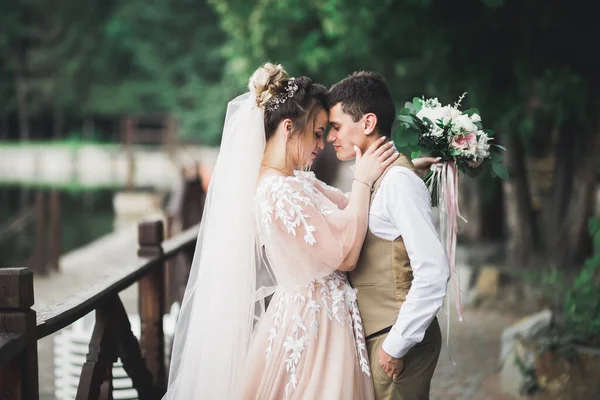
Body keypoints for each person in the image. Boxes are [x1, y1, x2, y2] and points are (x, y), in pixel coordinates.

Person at [164, 63, 399, 400]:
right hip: (312, 328)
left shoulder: (295, 180)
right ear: (289, 127)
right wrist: (362, 177)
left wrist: (393, 177)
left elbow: (352, 205)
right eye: (317, 133)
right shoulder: (276, 191)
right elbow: (345, 255)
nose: (323, 143)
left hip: (325, 319)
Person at [326, 71, 450, 400]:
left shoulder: (397, 182)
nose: (330, 137)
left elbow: (434, 271)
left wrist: (396, 345)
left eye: (336, 126)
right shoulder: (384, 178)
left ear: (367, 123)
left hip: (395, 339)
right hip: (379, 334)